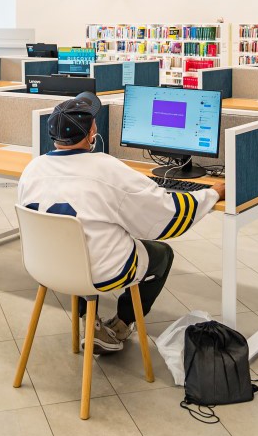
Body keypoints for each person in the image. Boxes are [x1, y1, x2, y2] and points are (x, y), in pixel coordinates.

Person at [17, 92, 224, 354]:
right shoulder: (107, 169)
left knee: (77, 242)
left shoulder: (32, 169)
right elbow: (165, 215)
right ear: (92, 132)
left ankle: (86, 320)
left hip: (46, 268)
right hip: (102, 273)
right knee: (161, 254)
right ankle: (121, 325)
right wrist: (213, 193)